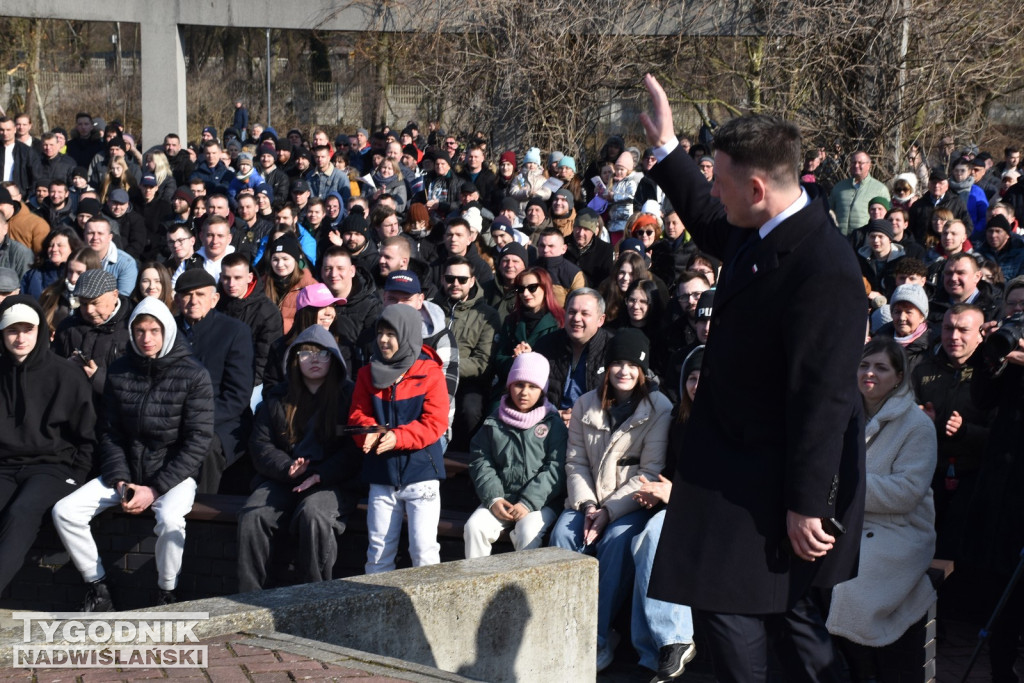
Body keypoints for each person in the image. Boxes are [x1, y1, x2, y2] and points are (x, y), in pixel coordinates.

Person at [641, 75, 866, 683]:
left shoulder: (824, 269)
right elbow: (714, 220)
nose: (712, 186)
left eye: (719, 176)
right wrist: (666, 148)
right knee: (778, 622)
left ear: (759, 187)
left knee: (728, 608)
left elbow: (826, 396)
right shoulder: (766, 227)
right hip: (735, 467)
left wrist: (806, 502)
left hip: (768, 486)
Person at [52, 297, 214, 610]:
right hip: (125, 472)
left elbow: (197, 441)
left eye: (154, 330)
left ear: (167, 331)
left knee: (169, 520)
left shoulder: (194, 375)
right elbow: (109, 432)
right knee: (65, 511)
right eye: (139, 330)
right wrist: (121, 480)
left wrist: (154, 489)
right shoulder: (120, 371)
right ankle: (97, 587)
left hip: (171, 475)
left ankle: (168, 592)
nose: (147, 338)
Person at [549, 328, 673, 672]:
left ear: (643, 370)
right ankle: (562, 629)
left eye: (632, 365)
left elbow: (648, 471)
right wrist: (589, 507)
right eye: (617, 363)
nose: (624, 371)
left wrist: (608, 511)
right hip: (586, 501)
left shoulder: (658, 408)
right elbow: (575, 462)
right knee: (563, 537)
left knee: (617, 543)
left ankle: (598, 637)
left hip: (628, 503)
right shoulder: (585, 403)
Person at [826, 338, 937, 682]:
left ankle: (862, 668)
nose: (870, 373)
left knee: (856, 581)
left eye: (881, 367)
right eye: (864, 365)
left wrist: (841, 488)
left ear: (899, 376)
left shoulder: (917, 426)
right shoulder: (841, 415)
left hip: (898, 530)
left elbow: (906, 494)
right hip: (843, 522)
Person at [237, 324, 361, 592]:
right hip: (284, 478)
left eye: (322, 354)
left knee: (314, 514)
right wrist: (287, 468)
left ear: (334, 358)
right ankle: (251, 596)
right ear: (294, 360)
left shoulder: (349, 396)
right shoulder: (276, 398)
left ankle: (314, 595)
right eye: (305, 353)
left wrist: (321, 474)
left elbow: (354, 449)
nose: (314, 360)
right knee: (253, 515)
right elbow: (260, 445)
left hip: (331, 480)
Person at [0, 296, 96, 596]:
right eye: (12, 330)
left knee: (22, 511)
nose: (20, 337)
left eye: (27, 329)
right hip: (5, 465)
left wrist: (77, 478)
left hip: (52, 466)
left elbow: (87, 435)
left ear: (40, 330)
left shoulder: (65, 374)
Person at [348, 304, 449, 574]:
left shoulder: (430, 372)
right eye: (380, 332)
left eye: (391, 334)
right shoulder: (367, 374)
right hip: (381, 473)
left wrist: (398, 437)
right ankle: (377, 613)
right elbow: (358, 415)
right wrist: (368, 431)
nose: (383, 340)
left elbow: (435, 422)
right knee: (378, 552)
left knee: (423, 551)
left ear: (407, 334)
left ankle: (428, 613)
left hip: (421, 473)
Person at [464, 352, 567, 558]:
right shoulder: (494, 420)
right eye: (519, 384)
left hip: (540, 503)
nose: (524, 393)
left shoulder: (552, 423)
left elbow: (556, 467)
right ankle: (478, 585)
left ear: (542, 390)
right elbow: (481, 460)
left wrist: (528, 502)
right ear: (509, 385)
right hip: (502, 498)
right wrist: (494, 498)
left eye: (533, 387)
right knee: (474, 527)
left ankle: (522, 587)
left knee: (528, 531)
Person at [174, 269, 254, 494]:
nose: (193, 301)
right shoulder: (166, 330)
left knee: (205, 448)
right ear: (177, 299)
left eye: (200, 295)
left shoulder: (235, 332)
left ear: (214, 299)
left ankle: (204, 517)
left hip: (223, 420)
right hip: (174, 416)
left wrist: (197, 421)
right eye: (187, 295)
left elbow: (237, 396)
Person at [53, 269, 132, 406]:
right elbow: (51, 371)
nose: (89, 310)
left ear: (114, 295)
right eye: (83, 303)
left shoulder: (132, 329)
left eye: (95, 303)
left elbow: (134, 387)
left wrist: (97, 378)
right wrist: (66, 367)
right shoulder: (67, 328)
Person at [264, 233, 319, 335]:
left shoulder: (310, 286)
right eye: (275, 259)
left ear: (295, 260)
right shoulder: (262, 284)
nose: (280, 264)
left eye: (285, 259)